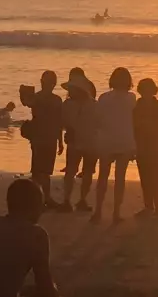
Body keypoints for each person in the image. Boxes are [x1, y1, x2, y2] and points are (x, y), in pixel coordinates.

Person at [88, 67, 138, 223]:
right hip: (124, 140)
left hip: (107, 140)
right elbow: (134, 119)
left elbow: (96, 119)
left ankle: (98, 210)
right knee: (120, 178)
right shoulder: (132, 98)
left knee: (103, 176)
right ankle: (116, 212)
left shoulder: (104, 98)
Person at [56, 72, 97, 212]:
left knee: (76, 172)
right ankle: (76, 200)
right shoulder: (93, 105)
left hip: (81, 142)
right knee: (80, 172)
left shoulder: (68, 104)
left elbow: (63, 123)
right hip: (87, 142)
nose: (70, 91)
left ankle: (72, 200)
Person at [22, 71, 63, 204]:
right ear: (54, 84)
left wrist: (24, 92)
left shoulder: (36, 98)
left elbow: (26, 102)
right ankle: (45, 198)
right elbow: (59, 122)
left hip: (40, 137)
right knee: (44, 171)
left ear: (41, 82)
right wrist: (60, 141)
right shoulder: (55, 100)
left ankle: (41, 198)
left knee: (38, 171)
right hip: (48, 137)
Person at [133, 77, 158, 217]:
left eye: (148, 89)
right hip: (141, 145)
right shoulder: (137, 105)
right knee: (144, 177)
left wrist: (149, 125)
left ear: (153, 90)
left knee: (156, 177)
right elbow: (133, 124)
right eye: (143, 89)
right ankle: (148, 206)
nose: (146, 92)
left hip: (154, 146)